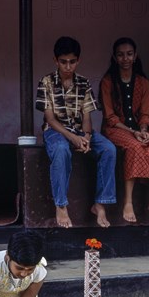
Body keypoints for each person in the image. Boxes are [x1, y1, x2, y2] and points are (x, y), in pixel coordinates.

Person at [36, 36, 117, 228]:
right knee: (61, 150)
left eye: (72, 62)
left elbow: (87, 117)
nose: (68, 66)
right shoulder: (46, 82)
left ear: (78, 61)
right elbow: (50, 119)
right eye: (63, 62)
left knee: (109, 149)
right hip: (55, 131)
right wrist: (74, 138)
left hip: (80, 131)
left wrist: (87, 137)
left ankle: (100, 203)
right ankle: (61, 205)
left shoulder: (84, 83)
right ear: (56, 61)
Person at [100, 37, 149, 223]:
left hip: (138, 129)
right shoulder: (108, 82)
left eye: (129, 54)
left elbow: (146, 113)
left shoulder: (143, 82)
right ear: (115, 58)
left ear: (135, 56)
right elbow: (110, 118)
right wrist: (133, 133)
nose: (125, 58)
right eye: (121, 55)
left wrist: (143, 129)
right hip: (115, 129)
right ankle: (128, 202)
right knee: (134, 147)